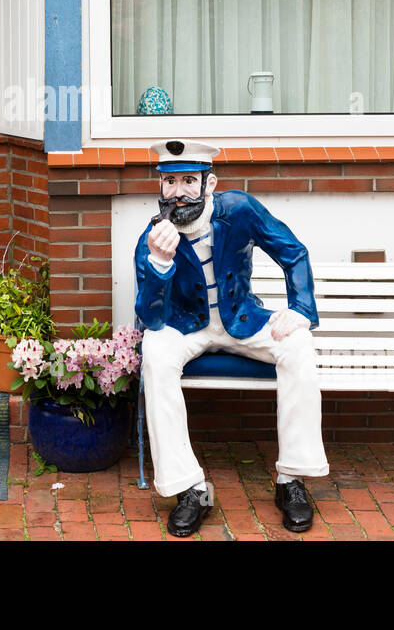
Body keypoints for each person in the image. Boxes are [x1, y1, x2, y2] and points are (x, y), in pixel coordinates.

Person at [134, 139, 330, 537]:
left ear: (210, 185)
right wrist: (160, 263)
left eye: (190, 180)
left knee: (298, 345)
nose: (178, 193)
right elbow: (151, 318)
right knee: (154, 354)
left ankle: (291, 478)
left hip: (241, 318)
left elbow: (293, 251)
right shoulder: (151, 239)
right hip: (185, 324)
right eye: (169, 182)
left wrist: (301, 310)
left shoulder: (239, 209)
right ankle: (189, 489)